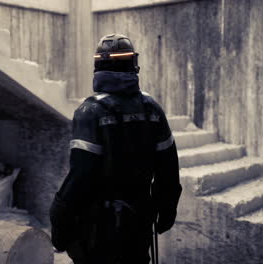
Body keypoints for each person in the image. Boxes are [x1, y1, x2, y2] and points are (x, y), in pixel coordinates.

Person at [50, 33, 182, 264]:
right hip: (139, 221)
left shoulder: (89, 112)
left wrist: (59, 218)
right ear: (133, 64)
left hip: (98, 229)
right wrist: (167, 208)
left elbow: (81, 176)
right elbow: (168, 167)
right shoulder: (151, 108)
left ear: (97, 66)